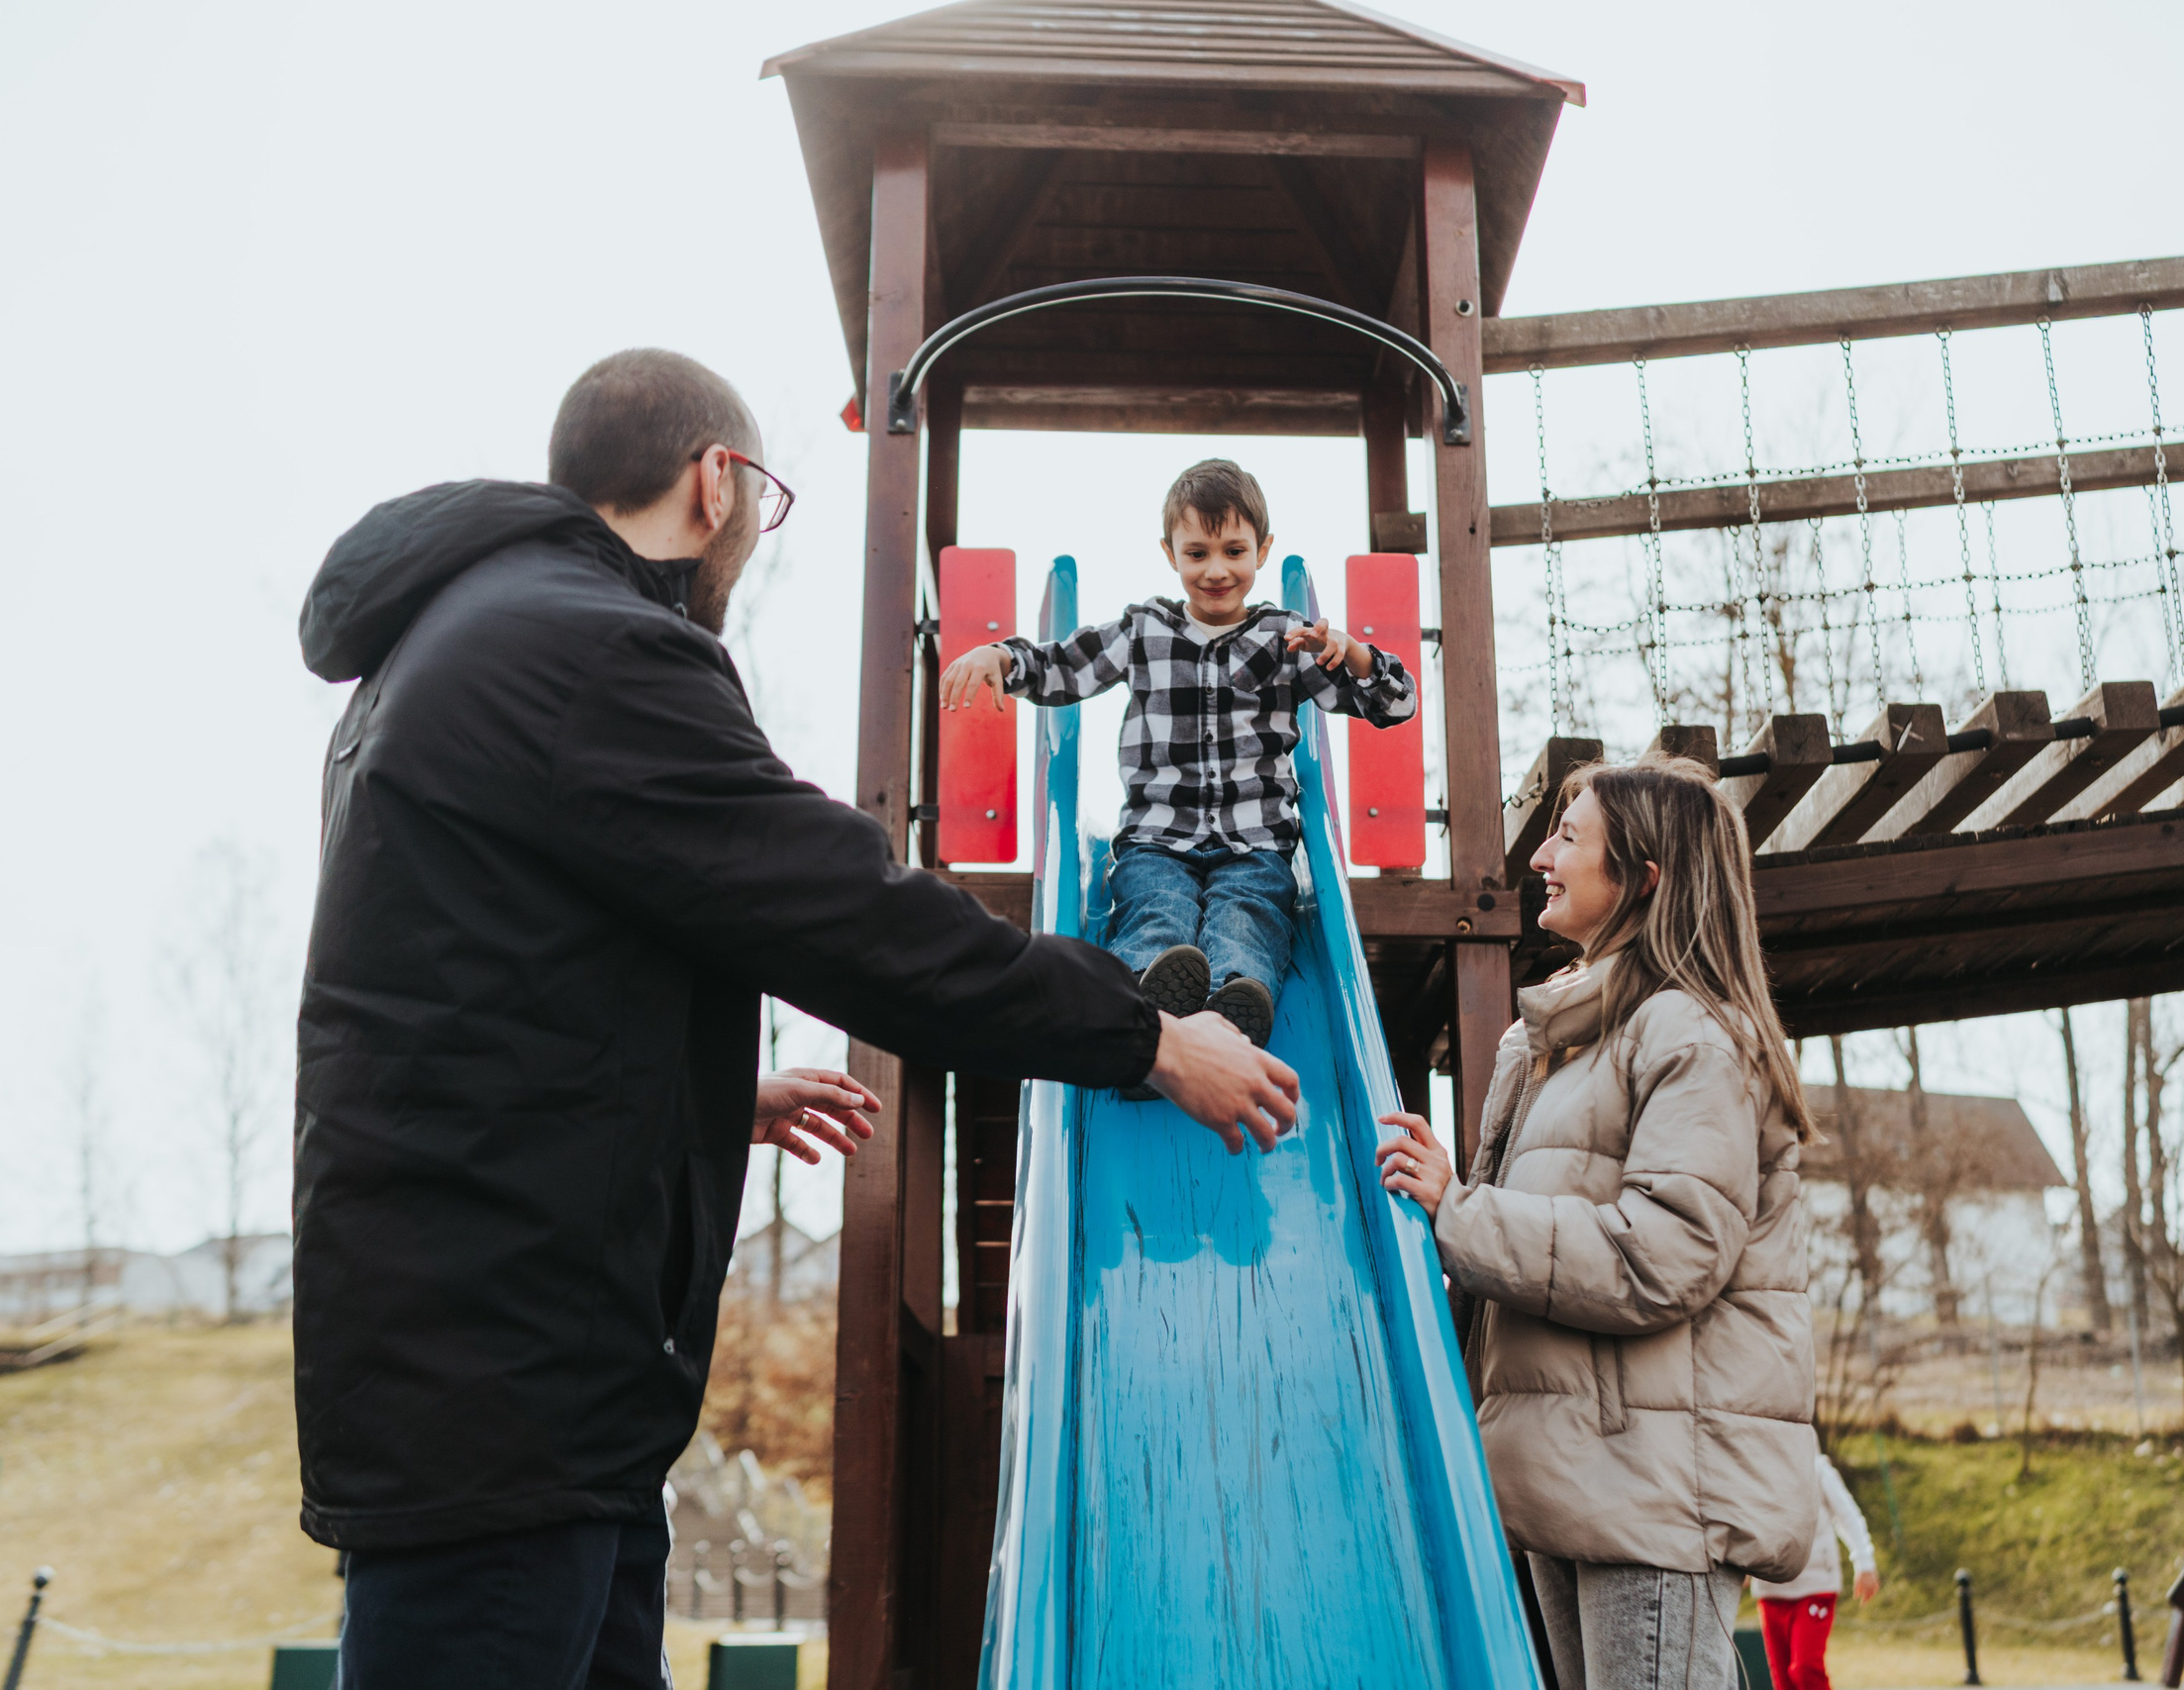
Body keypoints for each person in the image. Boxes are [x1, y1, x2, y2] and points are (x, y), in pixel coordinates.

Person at [294, 349, 1299, 1689]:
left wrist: (698, 1089)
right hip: (504, 1399)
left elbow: (477, 996)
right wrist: (1146, 1031)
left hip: (518, 1383)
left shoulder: (461, 640)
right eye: (763, 500)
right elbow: (853, 915)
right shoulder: (590, 649)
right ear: (717, 483)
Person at [1373, 756, 1821, 1690]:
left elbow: (1664, 1255)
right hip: (1572, 1467)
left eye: (1570, 838)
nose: (1541, 854)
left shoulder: (1689, 1036)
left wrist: (1459, 1209)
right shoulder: (1560, 1042)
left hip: (1652, 1486)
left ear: (1643, 878)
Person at [938, 457, 1416, 1056]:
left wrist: (1355, 654)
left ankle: (1233, 1010)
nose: (1217, 571)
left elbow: (1394, 707)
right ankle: (1141, 1015)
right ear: (1170, 553)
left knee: (1248, 917)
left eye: (1234, 551)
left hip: (1255, 843)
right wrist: (1001, 658)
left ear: (1263, 551)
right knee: (1155, 912)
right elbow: (1062, 666)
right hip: (1157, 839)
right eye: (1197, 554)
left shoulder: (1289, 639)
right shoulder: (1143, 631)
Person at [1748, 1448, 1881, 1690]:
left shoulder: (1817, 1469)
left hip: (1815, 1587)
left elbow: (1847, 1516)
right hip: (1771, 1591)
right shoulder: (1757, 1469)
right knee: (1783, 1682)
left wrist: (1864, 1561)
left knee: (1804, 1667)